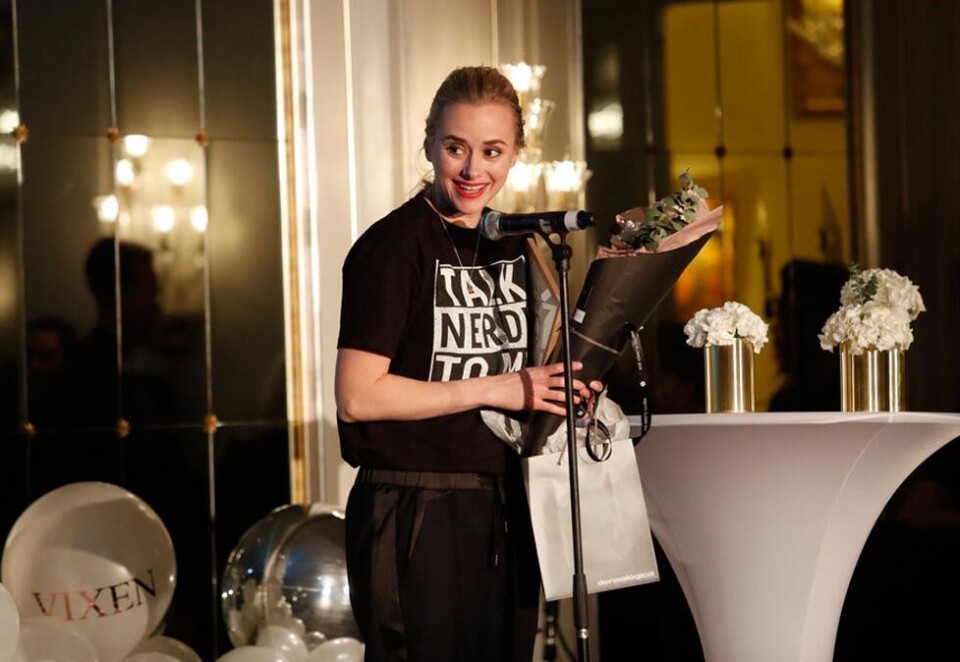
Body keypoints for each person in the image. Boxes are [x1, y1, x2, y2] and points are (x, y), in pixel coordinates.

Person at [335, 65, 601, 661]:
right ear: (430, 141)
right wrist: (497, 387)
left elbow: (530, 373)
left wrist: (563, 388)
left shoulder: (519, 243)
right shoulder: (393, 247)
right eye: (456, 148)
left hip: (506, 505)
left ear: (516, 155)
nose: (473, 169)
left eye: (492, 151)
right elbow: (359, 396)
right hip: (412, 508)